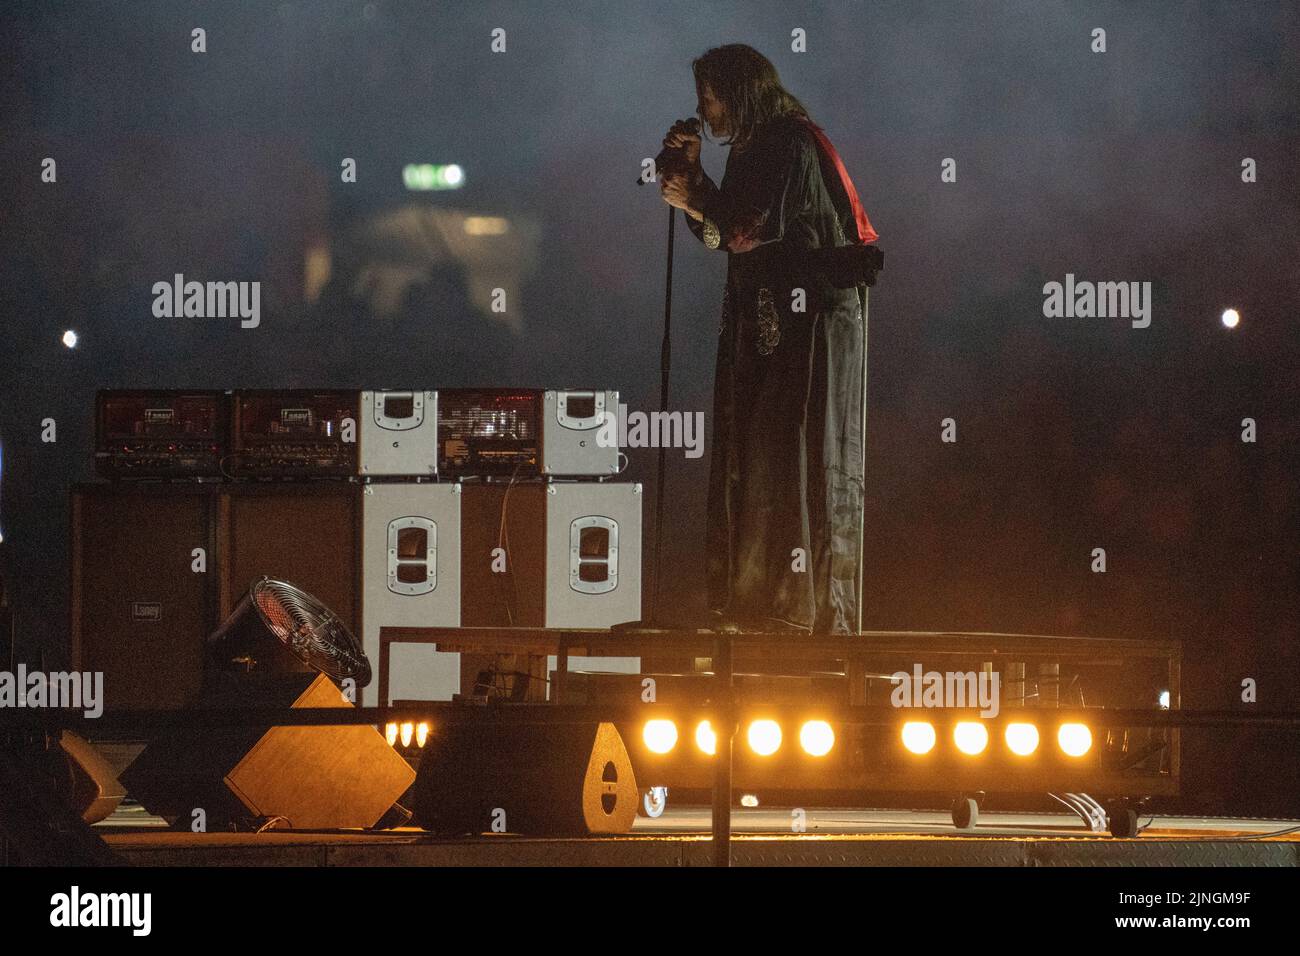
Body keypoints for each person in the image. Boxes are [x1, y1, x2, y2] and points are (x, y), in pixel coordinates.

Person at [659, 44, 879, 635]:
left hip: (808, 329)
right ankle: (756, 603)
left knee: (792, 459)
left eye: (710, 97)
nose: (703, 112)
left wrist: (698, 195)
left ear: (740, 90)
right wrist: (695, 189)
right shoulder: (758, 145)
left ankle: (798, 613)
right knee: (753, 457)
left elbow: (751, 228)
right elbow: (723, 235)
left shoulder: (788, 142)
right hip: (769, 325)